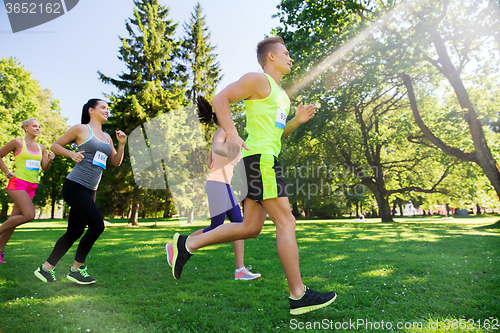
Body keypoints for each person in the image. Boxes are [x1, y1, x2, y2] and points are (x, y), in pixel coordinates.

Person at [169, 36, 337, 315]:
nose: (290, 57)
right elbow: (220, 99)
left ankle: (187, 244)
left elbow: (276, 133)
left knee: (250, 228)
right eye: (285, 53)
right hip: (260, 161)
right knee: (287, 221)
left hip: (265, 159)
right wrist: (232, 133)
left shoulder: (282, 95)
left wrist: (296, 120)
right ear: (270, 57)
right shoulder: (259, 81)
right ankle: (298, 295)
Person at [165, 96, 261, 281]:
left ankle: (240, 269)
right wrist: (234, 153)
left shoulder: (222, 133)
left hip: (222, 184)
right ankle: (179, 246)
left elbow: (211, 162)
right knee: (217, 227)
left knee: (239, 225)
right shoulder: (222, 132)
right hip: (218, 184)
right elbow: (217, 149)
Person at [34, 99, 127, 284]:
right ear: (91, 110)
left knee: (74, 232)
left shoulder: (108, 137)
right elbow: (55, 146)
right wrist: (71, 154)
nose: (106, 110)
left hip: (90, 190)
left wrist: (122, 144)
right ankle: (76, 269)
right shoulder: (81, 129)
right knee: (97, 226)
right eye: (103, 107)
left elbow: (116, 162)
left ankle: (45, 269)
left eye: (108, 108)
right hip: (75, 185)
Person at [0, 118, 55, 263]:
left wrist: (49, 159)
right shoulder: (18, 143)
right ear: (25, 128)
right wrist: (6, 171)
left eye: (39, 126)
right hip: (17, 183)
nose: (38, 128)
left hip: (32, 186)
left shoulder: (42, 147)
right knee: (29, 215)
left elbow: (44, 168)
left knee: (13, 222)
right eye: (34, 126)